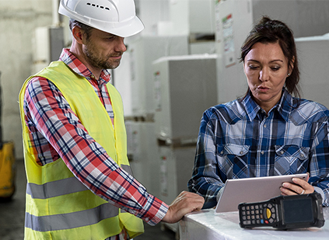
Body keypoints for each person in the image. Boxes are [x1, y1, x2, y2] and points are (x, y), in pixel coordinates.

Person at [18, 0, 204, 239]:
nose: (122, 47)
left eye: (123, 37)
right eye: (109, 38)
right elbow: (87, 162)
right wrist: (162, 211)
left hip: (115, 232)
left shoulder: (109, 92)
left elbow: (114, 163)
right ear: (79, 34)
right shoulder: (45, 88)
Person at [188, 16, 329, 209]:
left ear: (290, 67)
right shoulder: (217, 119)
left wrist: (314, 195)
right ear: (244, 65)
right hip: (233, 227)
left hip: (295, 227)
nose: (263, 77)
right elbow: (201, 181)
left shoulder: (316, 118)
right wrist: (229, 195)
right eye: (254, 67)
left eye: (275, 67)